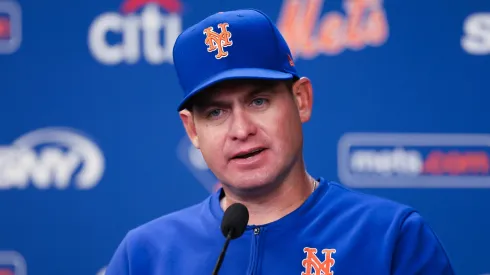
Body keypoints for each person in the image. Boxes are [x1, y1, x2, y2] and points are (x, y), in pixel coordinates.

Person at [105, 9, 455, 275]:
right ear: (192, 130)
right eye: (215, 113)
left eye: (259, 101)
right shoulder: (145, 254)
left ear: (301, 99)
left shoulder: (391, 236)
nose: (241, 129)